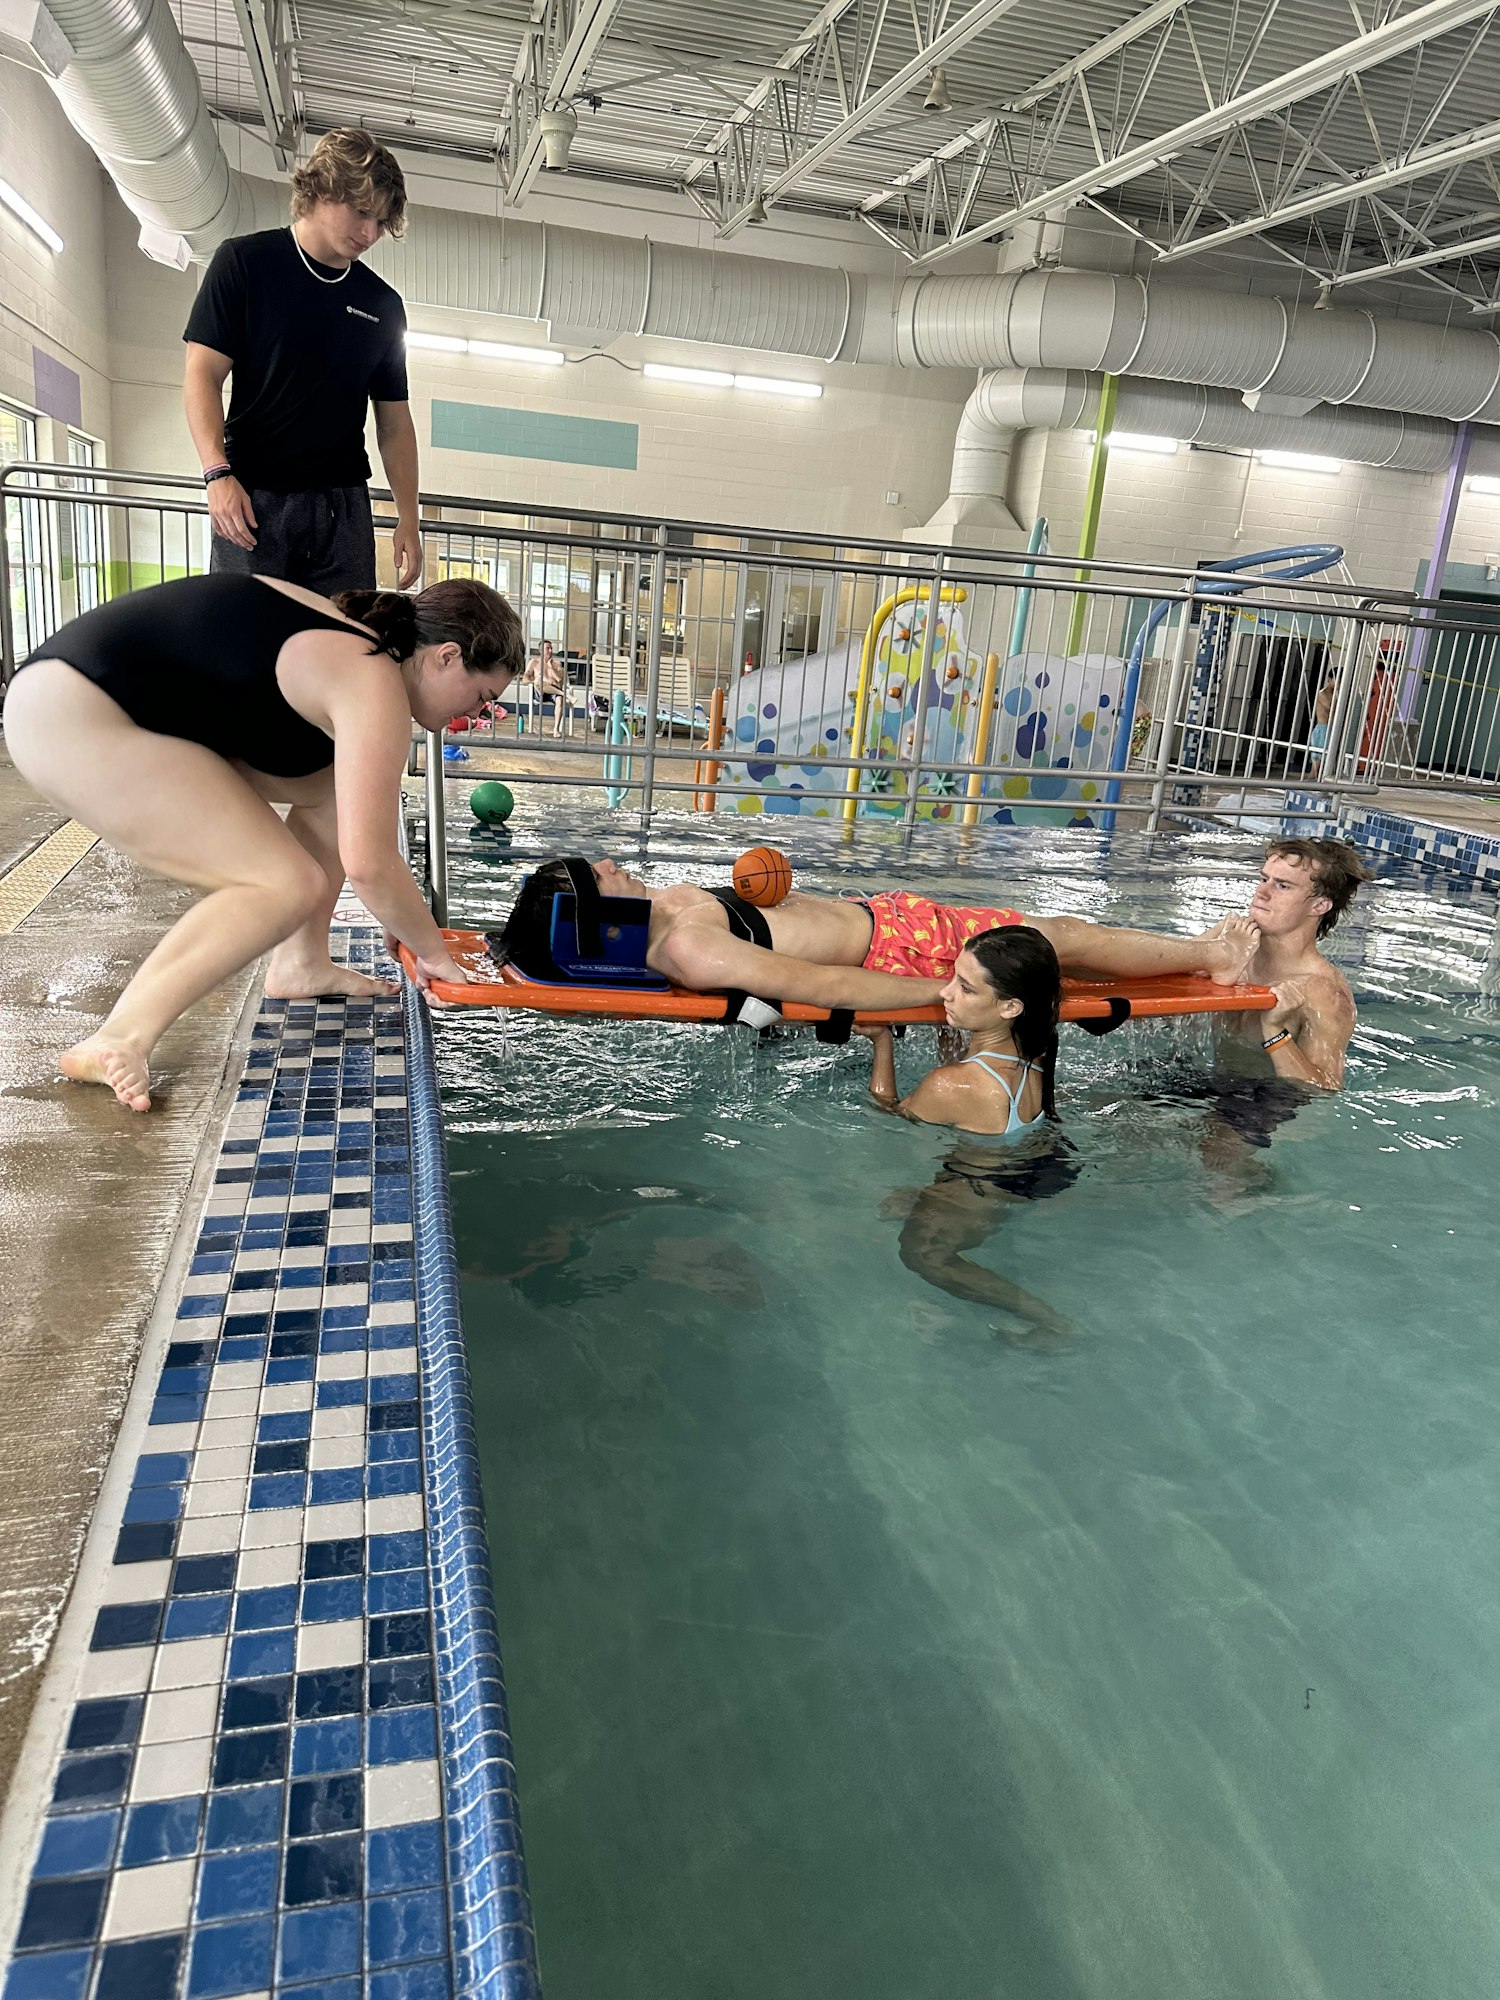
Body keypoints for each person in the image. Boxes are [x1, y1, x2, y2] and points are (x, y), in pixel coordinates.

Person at [4, 573, 524, 1112]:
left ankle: (302, 962)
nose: (476, 717)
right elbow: (369, 863)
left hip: (82, 697)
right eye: (483, 697)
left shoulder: (357, 648)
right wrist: (432, 950)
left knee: (332, 789)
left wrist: (406, 922)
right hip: (71, 716)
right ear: (446, 656)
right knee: (281, 884)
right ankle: (120, 1037)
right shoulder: (373, 682)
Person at [497, 856, 1263, 1015]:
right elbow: (819, 985)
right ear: (595, 916)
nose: (611, 863)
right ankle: (1213, 956)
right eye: (598, 873)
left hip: (890, 915)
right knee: (1053, 935)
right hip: (901, 950)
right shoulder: (685, 950)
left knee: (1053, 937)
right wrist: (939, 992)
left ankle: (1202, 952)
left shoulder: (668, 904)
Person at [183, 128, 421, 595]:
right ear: (323, 189)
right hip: (253, 497)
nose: (371, 234)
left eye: (381, 221)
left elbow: (394, 421)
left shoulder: (382, 304)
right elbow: (201, 375)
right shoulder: (245, 265)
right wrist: (216, 473)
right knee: (247, 649)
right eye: (362, 213)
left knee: (344, 650)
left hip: (343, 511)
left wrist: (408, 517)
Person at [858, 928, 1080, 1343]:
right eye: (952, 977)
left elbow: (891, 1114)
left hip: (976, 1183)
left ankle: (1052, 1324)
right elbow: (978, 1081)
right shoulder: (1037, 1045)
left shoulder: (952, 1086)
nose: (944, 993)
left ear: (1011, 1006)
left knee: (923, 1255)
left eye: (964, 988)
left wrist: (881, 1043)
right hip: (1037, 1165)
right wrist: (951, 1034)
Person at [522, 640, 569, 738]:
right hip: (540, 692)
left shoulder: (557, 664)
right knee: (540, 682)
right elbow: (525, 679)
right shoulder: (534, 663)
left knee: (560, 699)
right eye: (548, 648)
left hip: (554, 692)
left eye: (551, 648)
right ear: (541, 650)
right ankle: (565, 694)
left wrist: (550, 667)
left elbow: (559, 679)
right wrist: (534, 682)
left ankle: (556, 729)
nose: (550, 651)